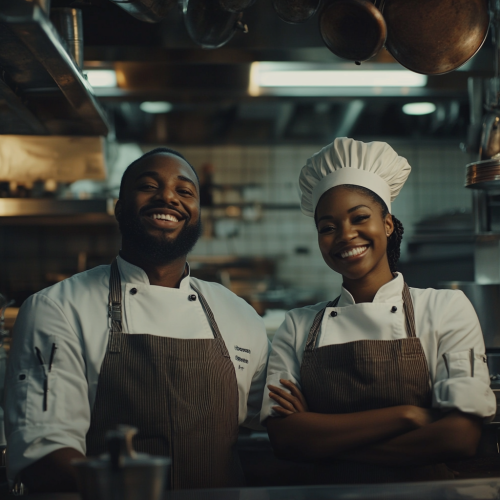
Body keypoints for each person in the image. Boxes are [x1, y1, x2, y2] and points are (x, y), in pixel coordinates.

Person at [5, 148, 270, 492]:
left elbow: (277, 423)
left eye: (185, 191)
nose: (168, 197)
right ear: (118, 207)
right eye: (148, 186)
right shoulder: (58, 308)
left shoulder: (239, 315)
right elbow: (45, 453)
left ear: (198, 214)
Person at [262, 138, 496, 484]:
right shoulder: (297, 326)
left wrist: (322, 443)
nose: (345, 235)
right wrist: (409, 415)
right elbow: (285, 439)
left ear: (387, 224)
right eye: (327, 228)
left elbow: (459, 437)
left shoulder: (445, 308)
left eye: (360, 218)